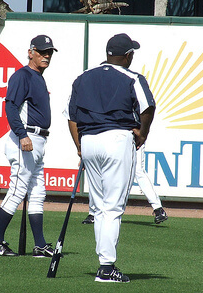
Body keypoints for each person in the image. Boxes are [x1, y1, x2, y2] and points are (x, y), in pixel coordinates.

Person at [66, 33, 156, 283]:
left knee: (99, 207)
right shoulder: (132, 77)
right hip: (116, 139)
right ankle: (106, 268)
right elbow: (148, 107)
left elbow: (71, 116)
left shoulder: (83, 77)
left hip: (89, 141)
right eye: (132, 53)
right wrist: (142, 133)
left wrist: (79, 146)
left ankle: (103, 263)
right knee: (113, 208)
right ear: (127, 55)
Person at [0, 35, 57, 258]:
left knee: (37, 192)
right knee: (18, 190)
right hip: (25, 140)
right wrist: (22, 134)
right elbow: (10, 107)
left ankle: (40, 245)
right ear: (31, 52)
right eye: (42, 52)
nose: (46, 56)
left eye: (49, 52)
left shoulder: (38, 77)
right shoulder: (22, 75)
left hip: (38, 141)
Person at [82, 148, 168, 225]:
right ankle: (93, 212)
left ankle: (158, 209)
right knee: (98, 170)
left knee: (138, 171)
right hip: (115, 137)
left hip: (133, 138)